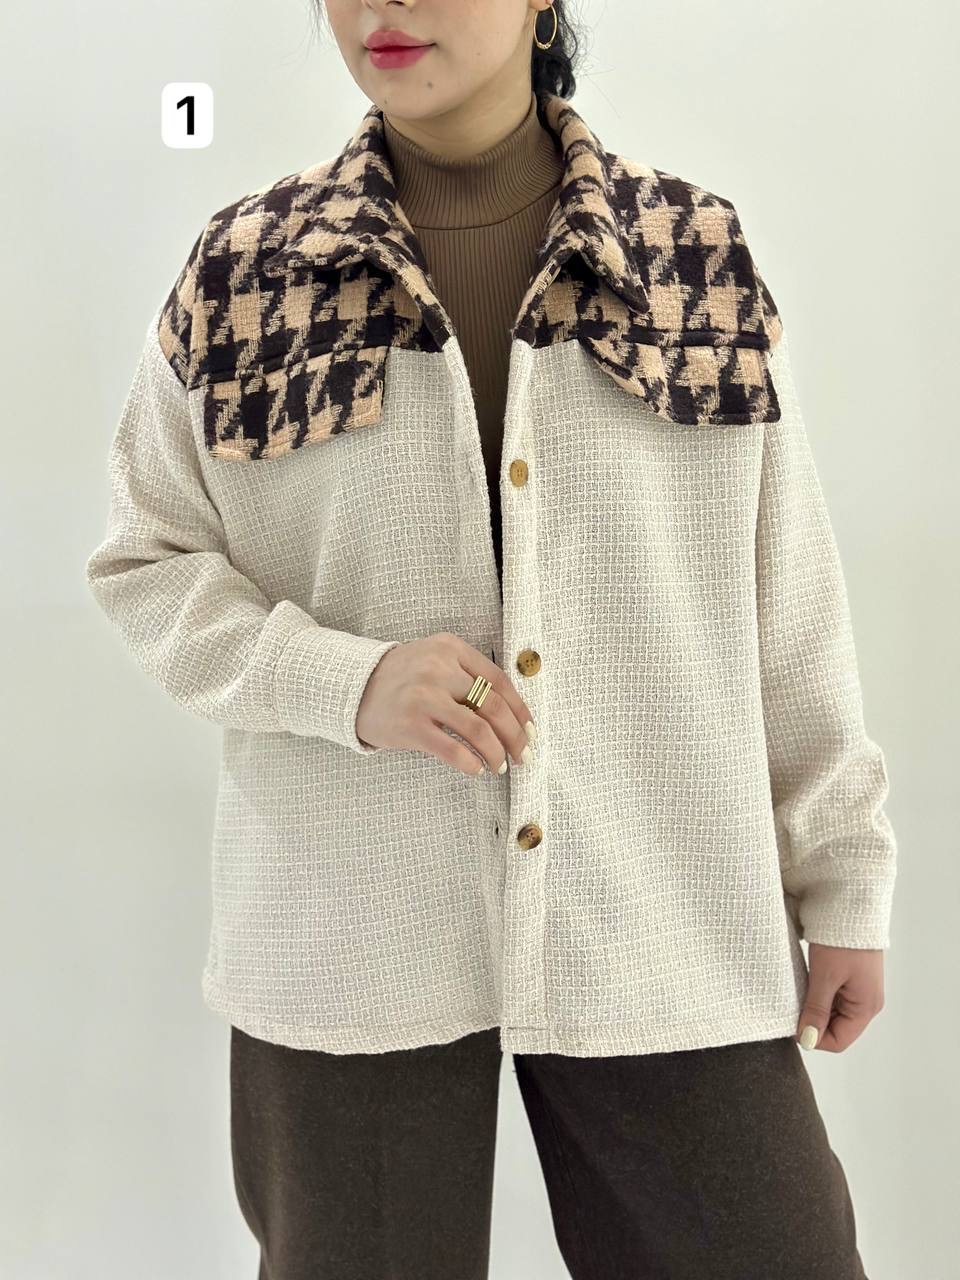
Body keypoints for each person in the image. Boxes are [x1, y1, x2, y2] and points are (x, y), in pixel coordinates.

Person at [85, 1, 897, 1275]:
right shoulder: (243, 273)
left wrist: (842, 874)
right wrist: (347, 681)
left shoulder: (691, 257)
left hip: (670, 914)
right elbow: (147, 562)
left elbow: (785, 602)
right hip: (348, 936)